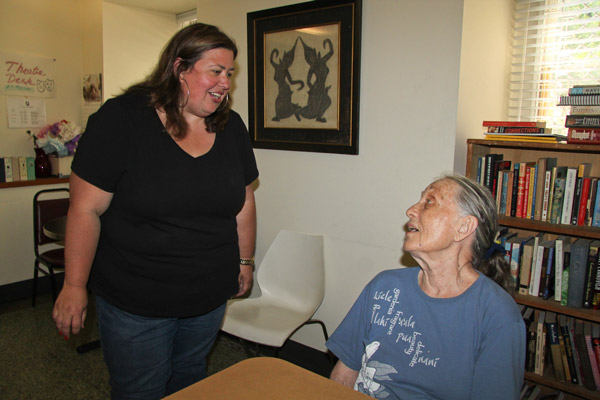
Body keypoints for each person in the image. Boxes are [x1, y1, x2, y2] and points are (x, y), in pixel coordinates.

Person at [52, 23, 259, 399]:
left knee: (191, 379)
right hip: (138, 300)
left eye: (230, 73)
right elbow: (85, 210)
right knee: (140, 389)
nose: (225, 82)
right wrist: (74, 285)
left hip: (208, 296)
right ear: (180, 69)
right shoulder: (123, 120)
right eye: (215, 71)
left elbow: (244, 201)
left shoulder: (231, 127)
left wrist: (245, 261)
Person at [326, 173, 525, 400]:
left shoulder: (498, 315)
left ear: (464, 227)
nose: (411, 210)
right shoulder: (384, 287)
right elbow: (345, 372)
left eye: (429, 202)